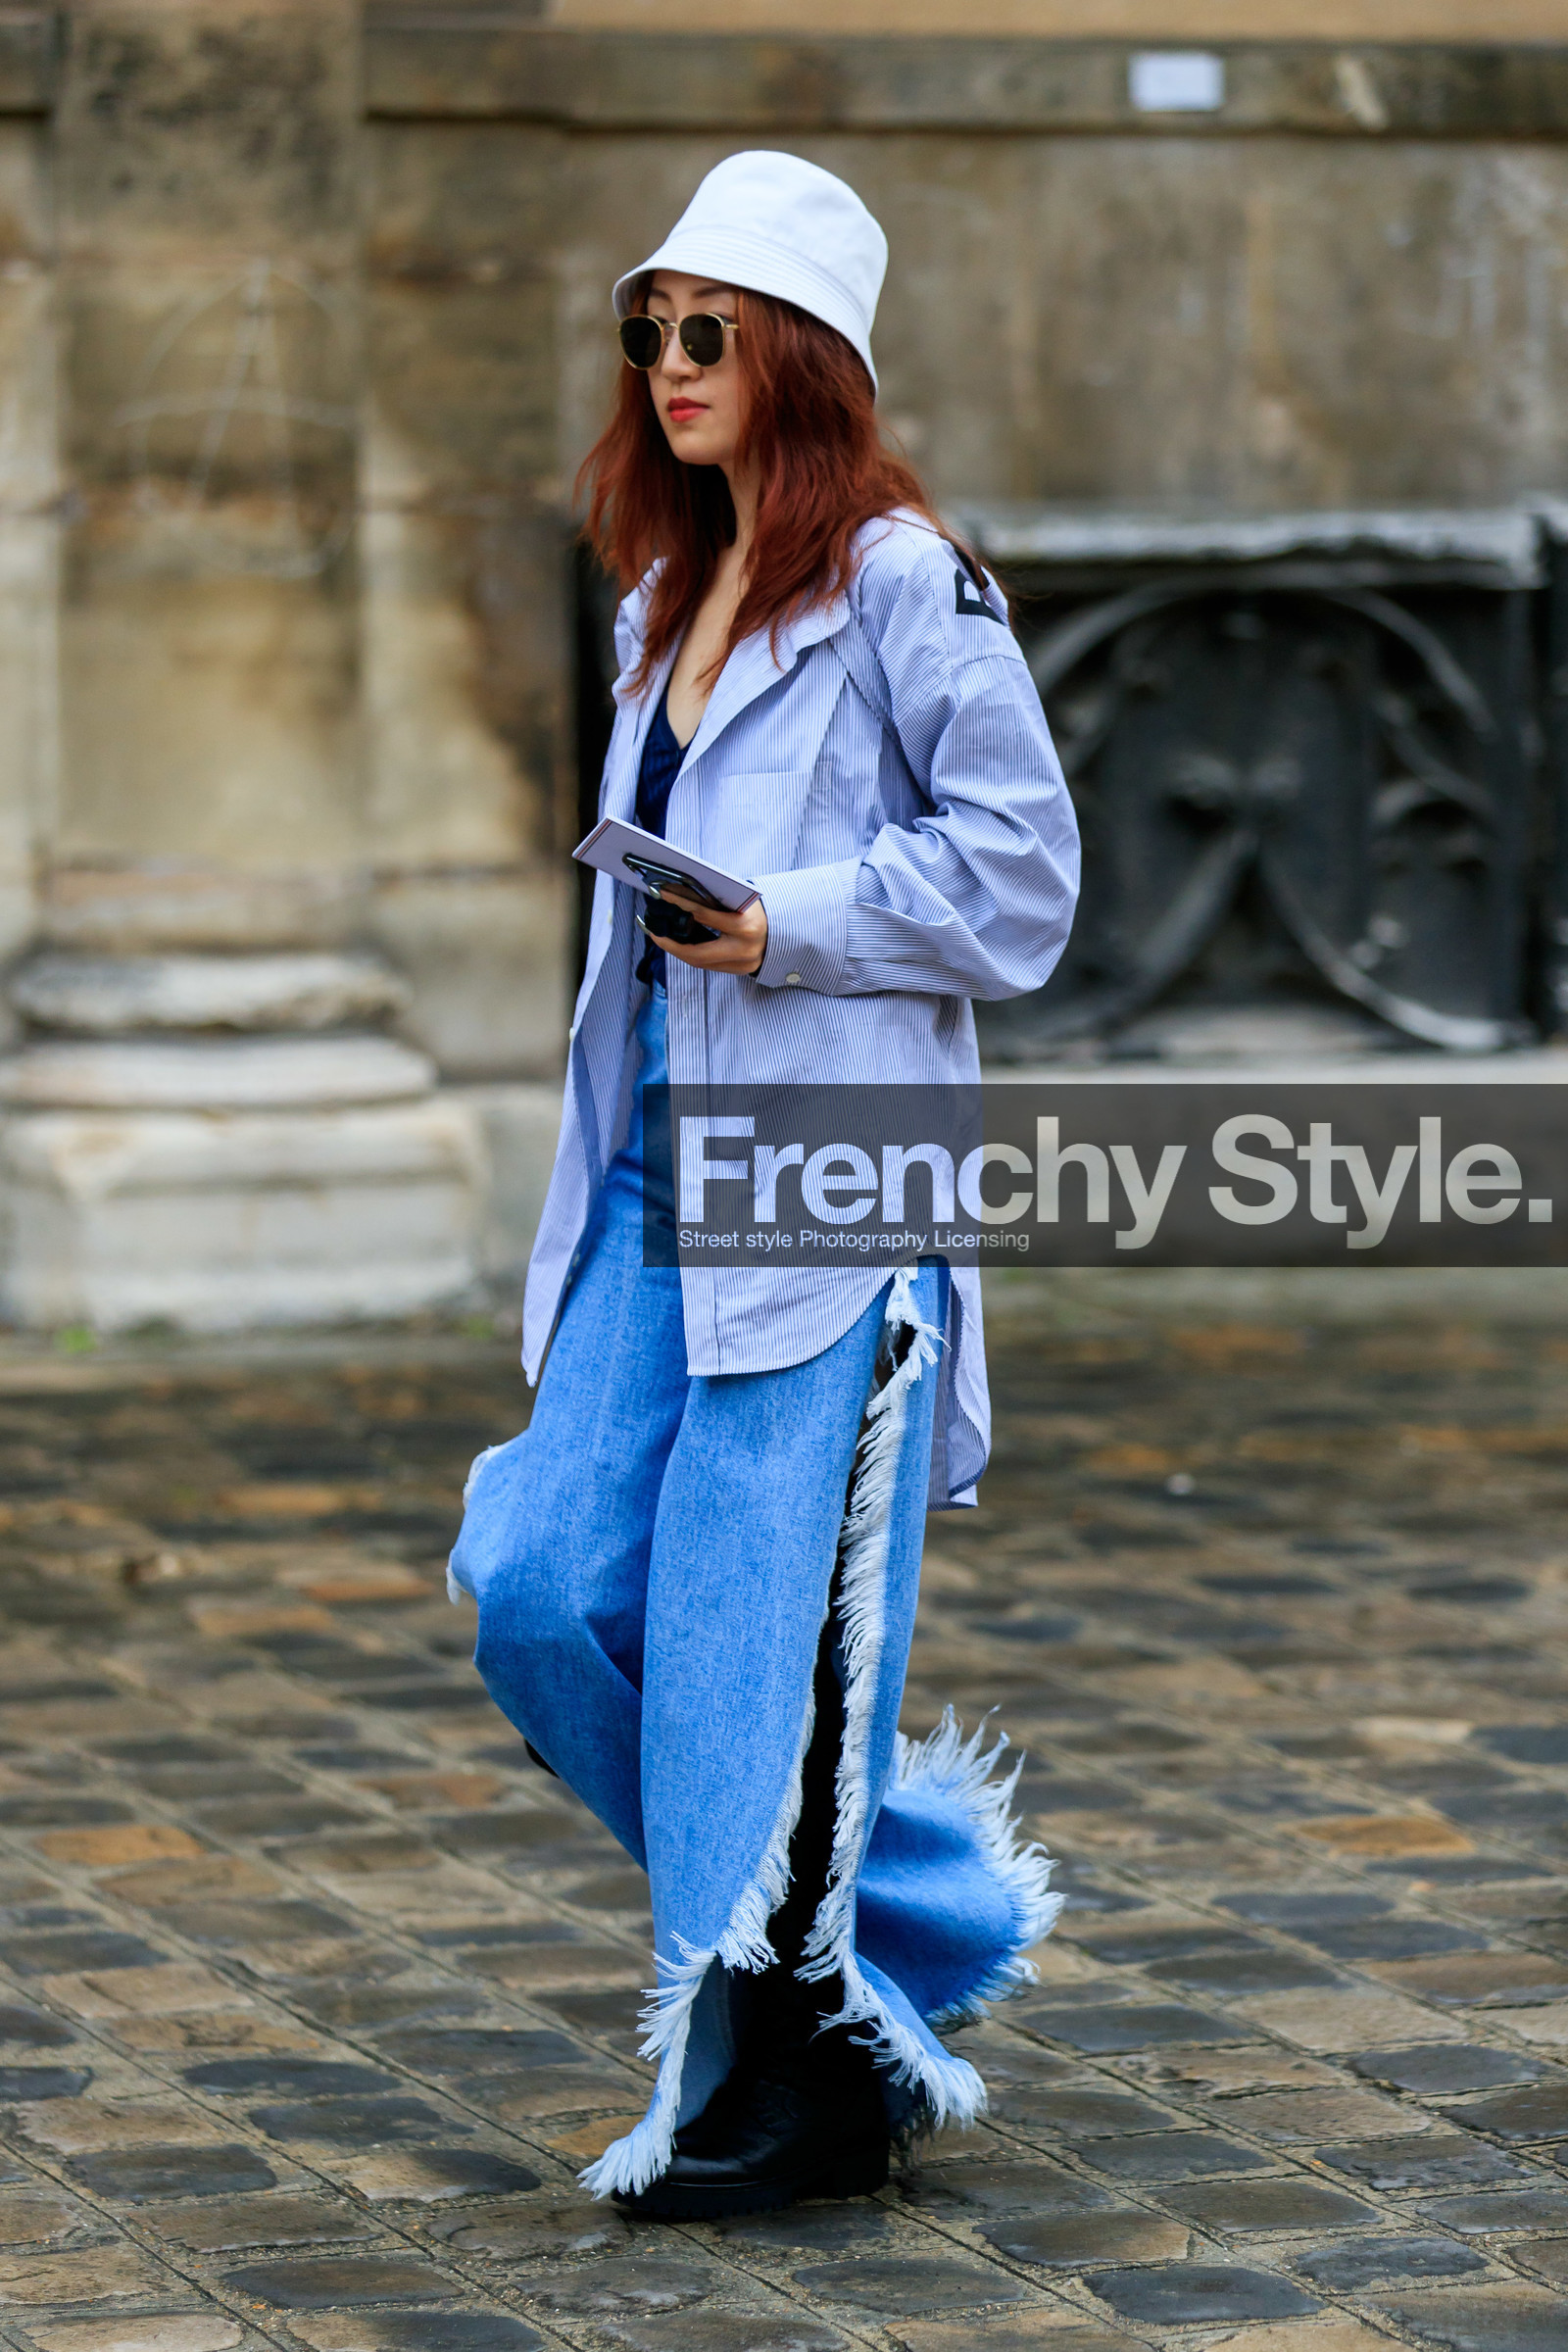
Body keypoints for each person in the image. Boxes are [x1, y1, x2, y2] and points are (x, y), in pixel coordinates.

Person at [449, 150, 1080, 2221]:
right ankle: (885, 1919)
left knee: (743, 1647)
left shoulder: (906, 580)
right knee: (535, 1587)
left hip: (817, 1173)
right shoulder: (657, 596)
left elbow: (1020, 882)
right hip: (648, 1175)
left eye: (705, 327)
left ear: (800, 351)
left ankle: (789, 2078)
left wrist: (786, 920)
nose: (665, 362)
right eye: (645, 327)